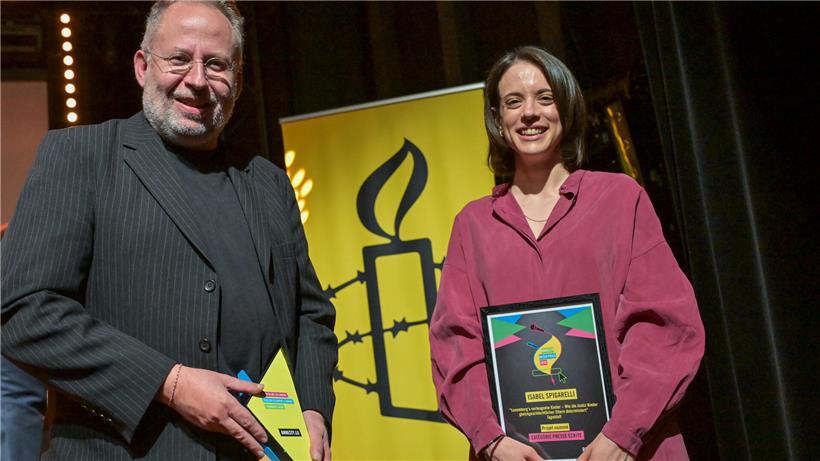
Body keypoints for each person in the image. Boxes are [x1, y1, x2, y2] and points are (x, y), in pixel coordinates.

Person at [0, 1, 336, 460]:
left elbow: (310, 315)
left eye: (216, 64)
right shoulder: (81, 157)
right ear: (142, 66)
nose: (197, 80)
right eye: (179, 59)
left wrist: (314, 409)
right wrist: (169, 382)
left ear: (237, 80)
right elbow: (22, 311)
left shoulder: (268, 182)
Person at [429, 46, 705, 461]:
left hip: (630, 451)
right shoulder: (473, 226)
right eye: (513, 102)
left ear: (567, 107)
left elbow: (664, 326)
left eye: (545, 97)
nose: (529, 113)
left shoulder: (619, 199)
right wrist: (491, 440)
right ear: (498, 121)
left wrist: (623, 434)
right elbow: (455, 344)